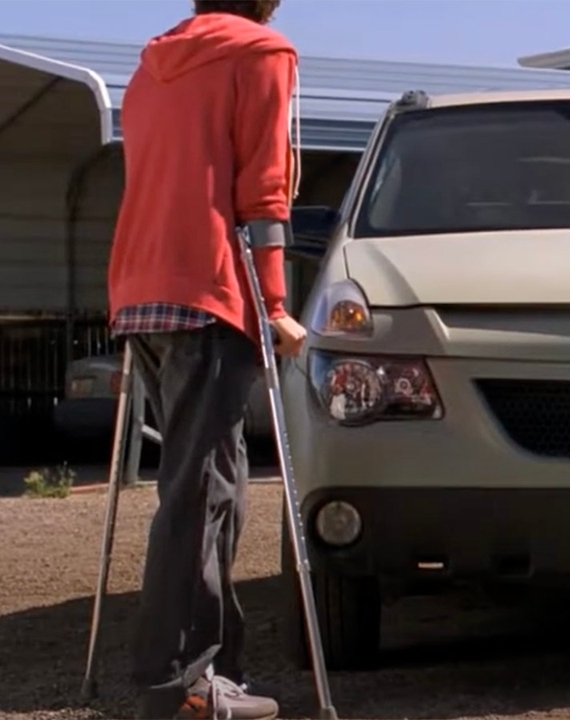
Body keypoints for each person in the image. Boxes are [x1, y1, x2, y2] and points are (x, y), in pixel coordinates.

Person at [107, 1, 308, 717]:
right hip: (208, 290)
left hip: (140, 288)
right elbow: (264, 189)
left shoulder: (149, 66)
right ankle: (180, 685)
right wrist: (278, 302)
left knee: (210, 483)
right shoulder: (262, 53)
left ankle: (211, 667)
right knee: (203, 492)